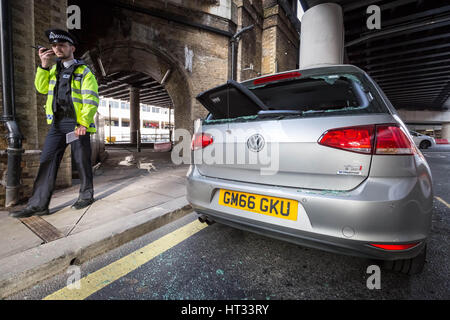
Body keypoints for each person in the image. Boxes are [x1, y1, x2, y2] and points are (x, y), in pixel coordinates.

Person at [10, 29, 99, 218]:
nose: (57, 48)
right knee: (47, 161)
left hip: (77, 124)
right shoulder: (53, 70)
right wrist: (43, 65)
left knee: (81, 161)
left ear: (72, 48)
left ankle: (86, 195)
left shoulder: (84, 72)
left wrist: (83, 122)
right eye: (54, 45)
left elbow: (91, 100)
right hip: (57, 125)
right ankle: (38, 205)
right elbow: (41, 88)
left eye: (62, 45)